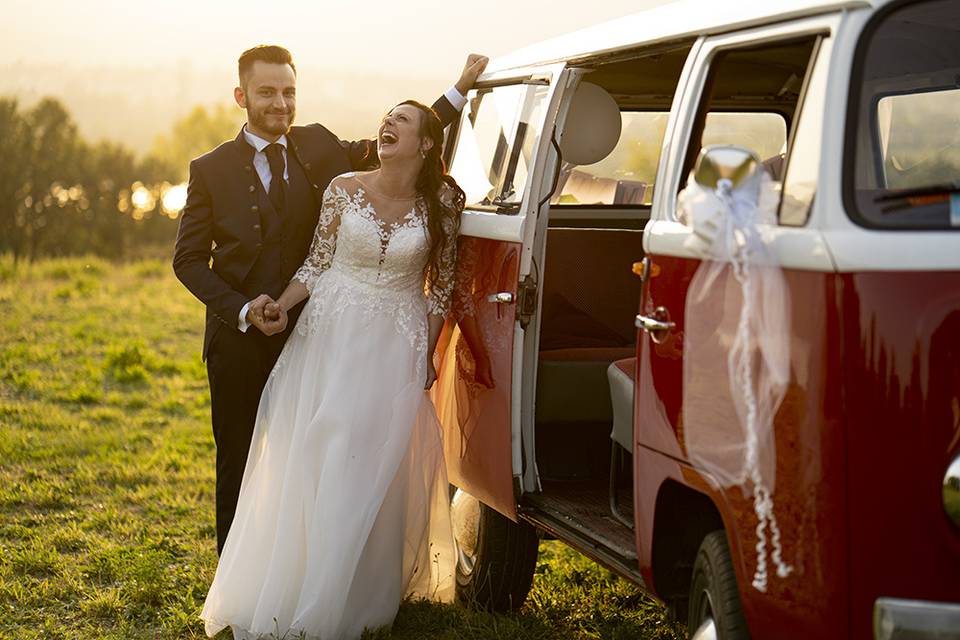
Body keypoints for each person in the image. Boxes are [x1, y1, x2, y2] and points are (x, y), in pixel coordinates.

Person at [172, 44, 487, 554]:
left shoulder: (318, 145)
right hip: (239, 340)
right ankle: (236, 576)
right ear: (241, 96)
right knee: (240, 458)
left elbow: (402, 145)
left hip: (318, 336)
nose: (281, 102)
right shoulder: (209, 169)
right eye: (267, 92)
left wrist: (458, 91)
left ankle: (304, 561)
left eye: (288, 91)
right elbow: (186, 260)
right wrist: (245, 309)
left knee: (315, 458)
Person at [200, 99, 466, 639]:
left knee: (374, 458)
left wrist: (428, 352)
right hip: (330, 332)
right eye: (386, 116)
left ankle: (357, 585)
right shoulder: (343, 188)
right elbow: (317, 263)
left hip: (397, 338)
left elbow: (441, 285)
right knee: (326, 446)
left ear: (427, 144)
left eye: (402, 121)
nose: (387, 123)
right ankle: (308, 584)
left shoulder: (441, 202)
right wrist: (278, 302)